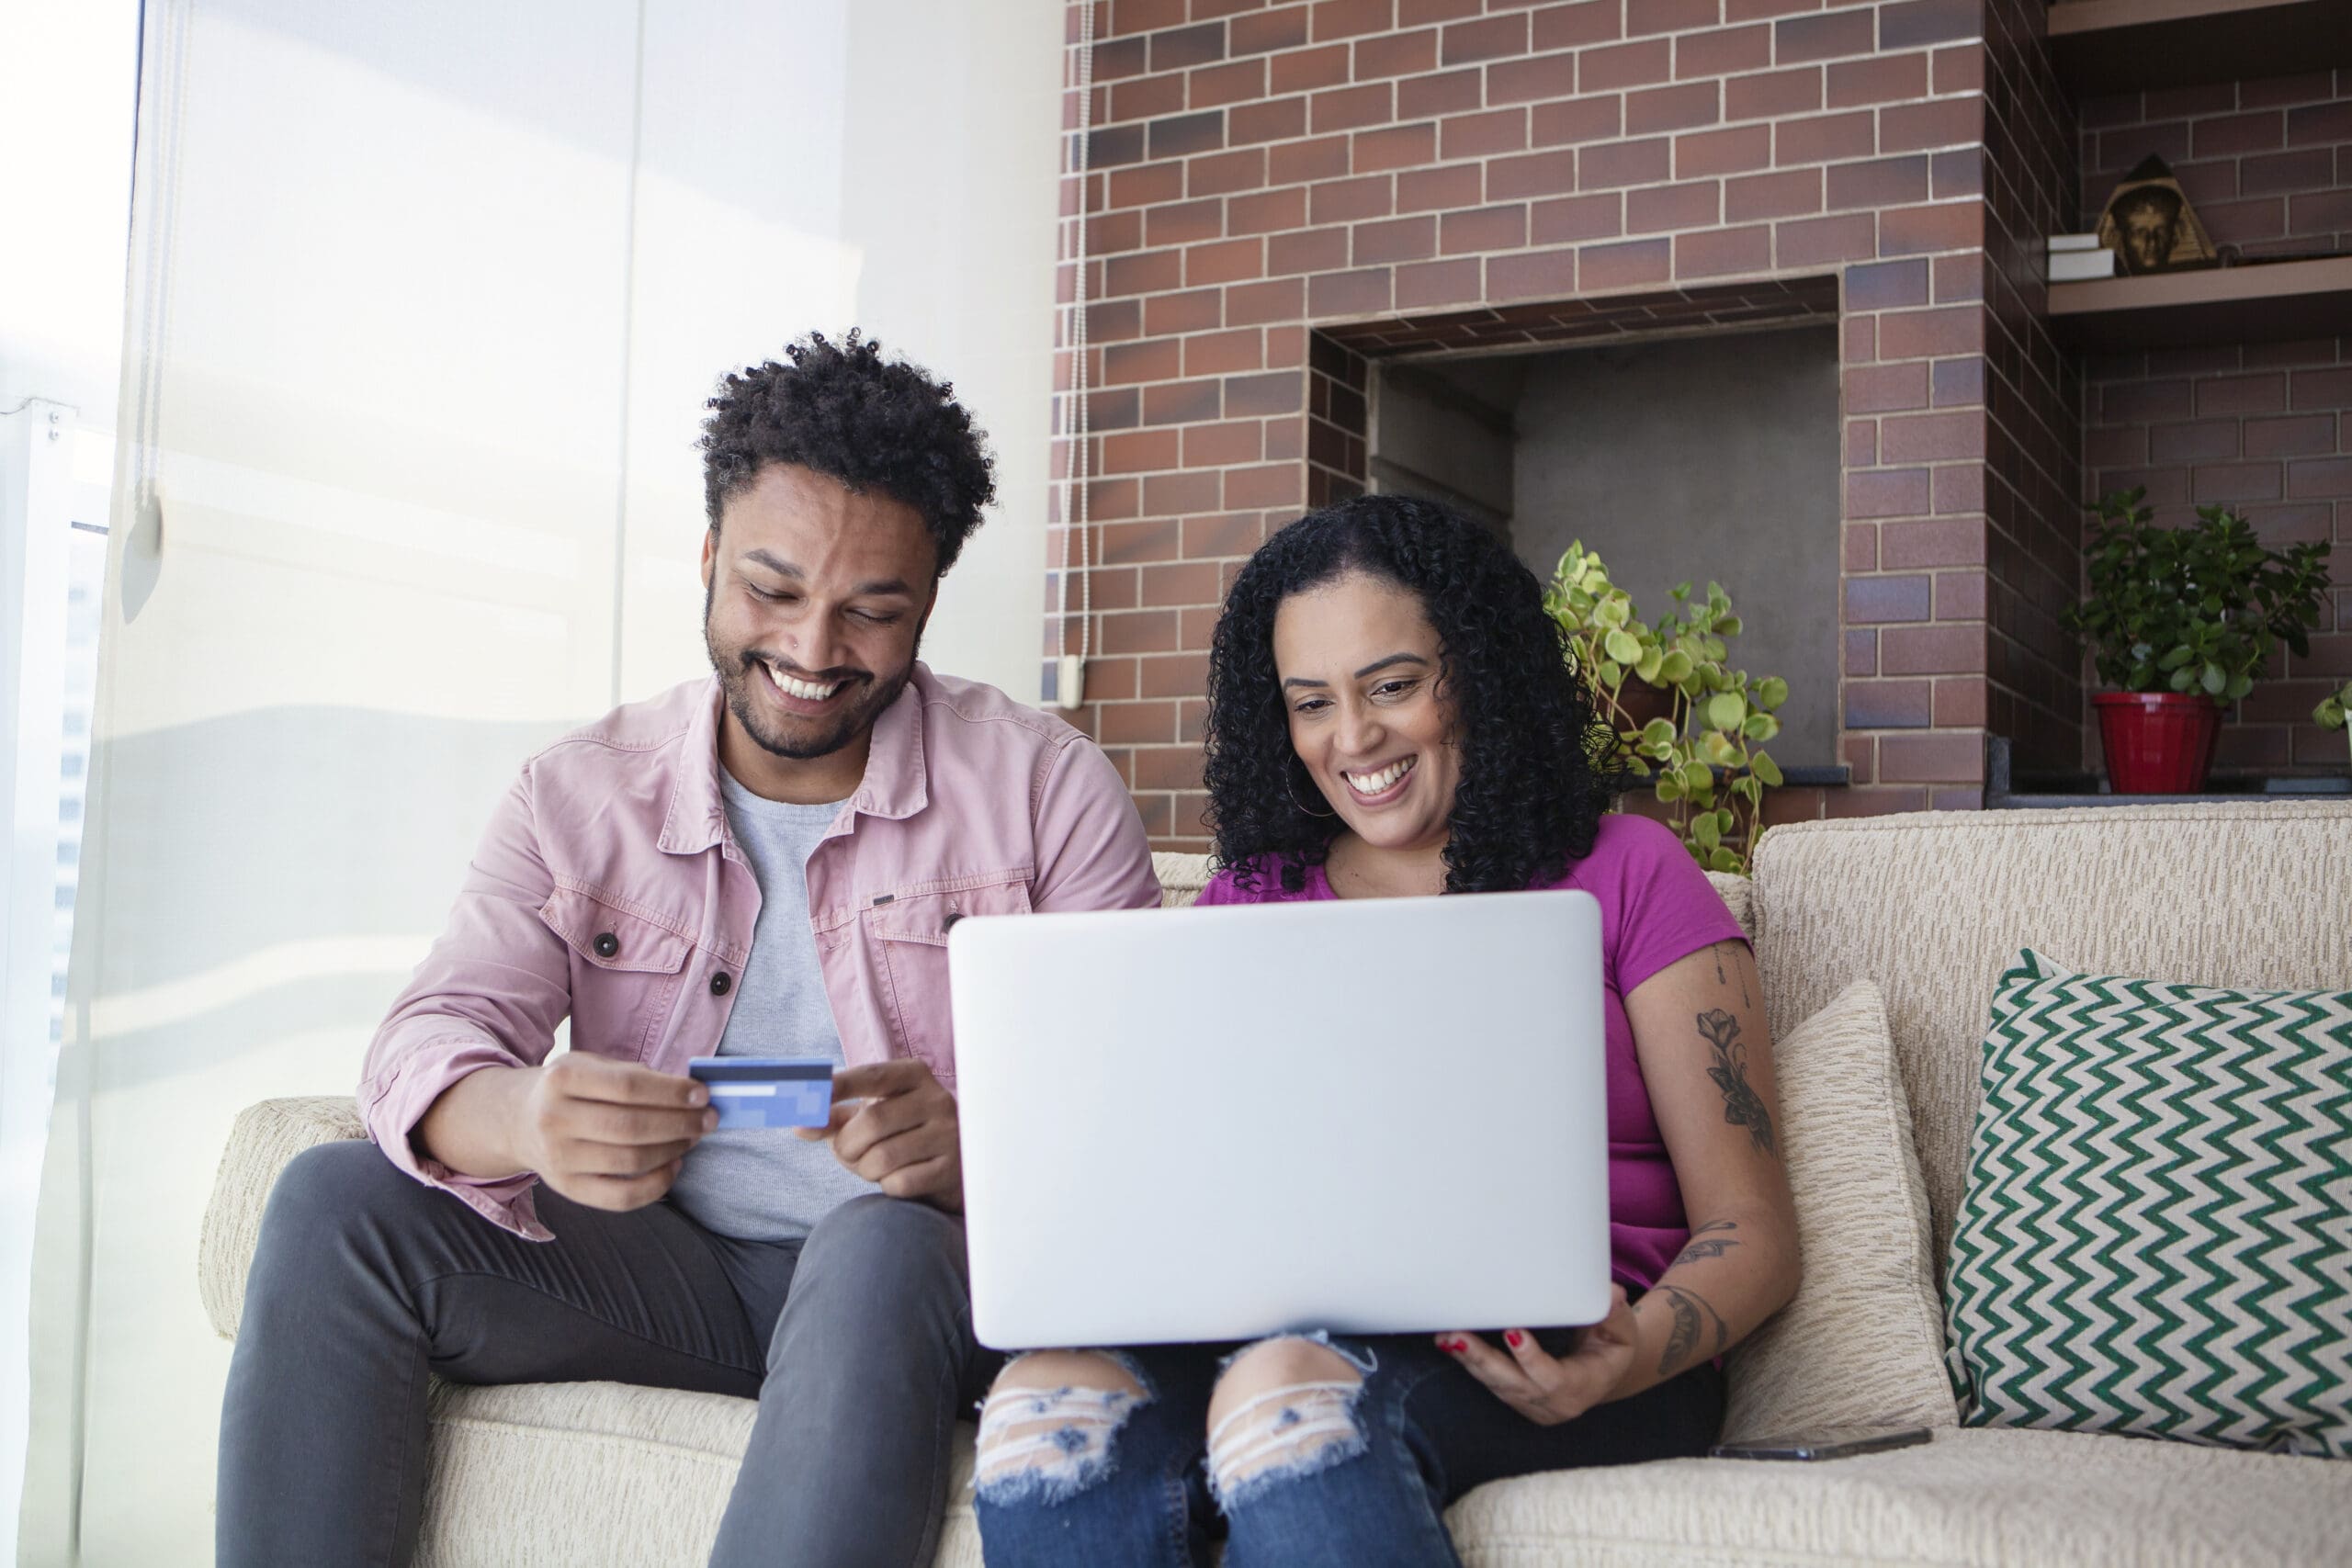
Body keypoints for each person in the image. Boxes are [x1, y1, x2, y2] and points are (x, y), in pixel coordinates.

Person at [217, 332, 1162, 1568]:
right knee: (332, 1200)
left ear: (928, 601)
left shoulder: (1048, 788)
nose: (814, 650)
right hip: (675, 1271)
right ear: (708, 555)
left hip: (925, 1283)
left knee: (874, 1238)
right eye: (772, 589)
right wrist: (528, 1118)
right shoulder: (578, 793)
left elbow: (1148, 1122)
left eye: (872, 610)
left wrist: (981, 1148)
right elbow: (430, 1039)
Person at [969, 492, 1801, 1568]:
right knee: (1044, 1409)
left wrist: (1634, 1352)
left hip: (1577, 1350)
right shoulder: (1248, 900)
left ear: (1479, 670)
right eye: (1310, 702)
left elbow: (1756, 1231)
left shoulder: (1629, 869)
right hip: (1270, 1331)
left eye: (1393, 687)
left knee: (1288, 1392)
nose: (1352, 739)